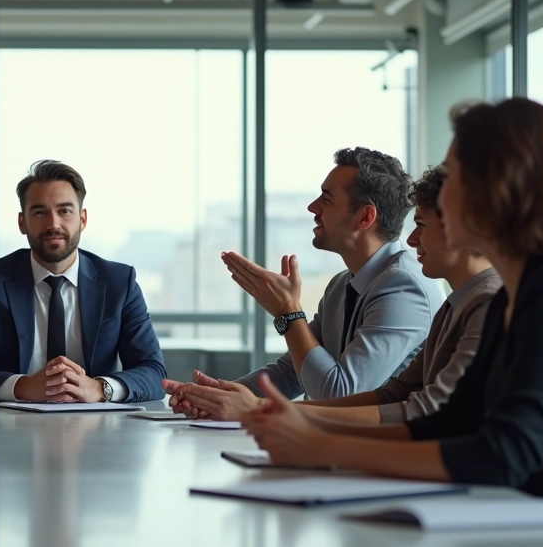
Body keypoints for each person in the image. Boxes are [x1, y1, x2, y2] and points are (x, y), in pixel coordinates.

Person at [239, 98, 543, 529]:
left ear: (497, 190)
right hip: (527, 527)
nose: (440, 194)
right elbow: (445, 421)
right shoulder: (507, 300)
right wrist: (299, 423)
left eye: (453, 176)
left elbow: (503, 454)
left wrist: (324, 447)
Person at [164, 148, 442, 417]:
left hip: (376, 457)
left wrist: (289, 313)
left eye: (327, 199)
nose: (312, 207)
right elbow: (294, 372)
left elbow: (340, 395)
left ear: (364, 217)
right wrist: (218, 397)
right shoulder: (341, 285)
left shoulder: (405, 287)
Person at [0, 160, 167, 403]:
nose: (53, 224)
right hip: (12, 429)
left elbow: (153, 372)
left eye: (65, 211)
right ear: (22, 222)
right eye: (39, 212)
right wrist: (21, 387)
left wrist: (100, 389)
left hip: (98, 427)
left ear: (83, 219)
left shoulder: (120, 282)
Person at [294, 165, 500, 425]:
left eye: (422, 225)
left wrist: (296, 419)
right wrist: (279, 412)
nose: (412, 240)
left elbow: (432, 411)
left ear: (462, 228)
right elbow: (395, 395)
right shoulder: (455, 305)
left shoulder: (488, 303)